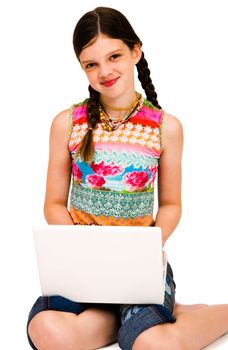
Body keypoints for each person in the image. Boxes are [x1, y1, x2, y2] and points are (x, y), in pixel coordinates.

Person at [27, 6, 228, 350]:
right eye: (91, 64)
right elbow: (54, 203)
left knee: (154, 345)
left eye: (115, 56)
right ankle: (122, 318)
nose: (105, 71)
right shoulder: (67, 123)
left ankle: (217, 314)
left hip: (139, 269)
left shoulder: (166, 128)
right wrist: (87, 251)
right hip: (81, 267)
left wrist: (143, 251)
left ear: (135, 51)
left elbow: (171, 204)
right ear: (82, 68)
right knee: (47, 330)